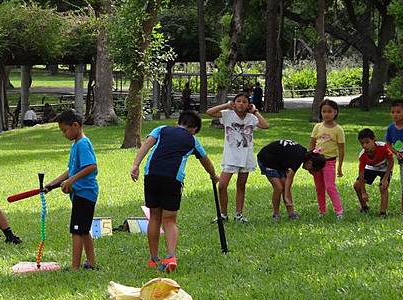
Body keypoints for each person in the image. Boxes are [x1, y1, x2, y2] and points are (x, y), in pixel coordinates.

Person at [131, 111, 218, 272]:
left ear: (179, 122)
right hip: (173, 179)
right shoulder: (193, 141)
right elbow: (207, 162)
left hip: (151, 176)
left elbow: (146, 145)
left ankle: (153, 258)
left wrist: (135, 165)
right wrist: (214, 175)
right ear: (194, 128)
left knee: (154, 217)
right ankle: (170, 256)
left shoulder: (161, 129)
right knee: (169, 220)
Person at [44, 109, 99, 270]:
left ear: (75, 125)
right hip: (81, 194)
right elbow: (71, 170)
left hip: (85, 193)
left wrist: (71, 181)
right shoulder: (77, 145)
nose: (64, 134)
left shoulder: (82, 143)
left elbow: (91, 166)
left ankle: (75, 268)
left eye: (64, 130)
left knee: (76, 231)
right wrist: (52, 185)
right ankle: (90, 263)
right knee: (83, 230)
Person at [206, 92, 269, 223]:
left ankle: (239, 214)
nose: (241, 104)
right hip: (230, 156)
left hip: (246, 156)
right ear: (234, 103)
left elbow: (265, 125)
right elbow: (209, 112)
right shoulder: (228, 115)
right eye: (238, 101)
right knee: (222, 185)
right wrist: (226, 105)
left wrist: (255, 111)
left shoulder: (251, 117)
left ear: (248, 105)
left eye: (244, 102)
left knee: (241, 186)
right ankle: (223, 214)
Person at [257, 140, 326, 220]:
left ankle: (291, 214)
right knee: (279, 187)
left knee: (284, 183)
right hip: (267, 159)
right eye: (313, 169)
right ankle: (276, 214)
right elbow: (289, 179)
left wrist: (286, 194)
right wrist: (286, 196)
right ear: (309, 162)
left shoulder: (302, 153)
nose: (311, 172)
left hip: (279, 162)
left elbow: (287, 182)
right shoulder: (297, 159)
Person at [309, 99, 345, 219]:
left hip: (329, 162)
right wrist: (310, 160)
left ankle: (339, 211)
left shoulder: (338, 129)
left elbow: (341, 149)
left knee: (330, 186)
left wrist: (339, 166)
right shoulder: (317, 127)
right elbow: (312, 144)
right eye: (324, 111)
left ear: (335, 112)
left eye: (329, 111)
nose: (326, 114)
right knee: (319, 187)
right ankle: (322, 211)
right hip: (317, 162)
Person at [354, 128, 394, 216]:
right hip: (371, 167)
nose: (365, 145)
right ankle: (364, 207)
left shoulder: (383, 147)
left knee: (383, 187)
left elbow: (391, 161)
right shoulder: (363, 156)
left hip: (385, 168)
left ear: (374, 140)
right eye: (362, 143)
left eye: (367, 142)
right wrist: (363, 192)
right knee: (357, 185)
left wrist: (385, 178)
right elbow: (361, 174)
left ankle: (383, 213)